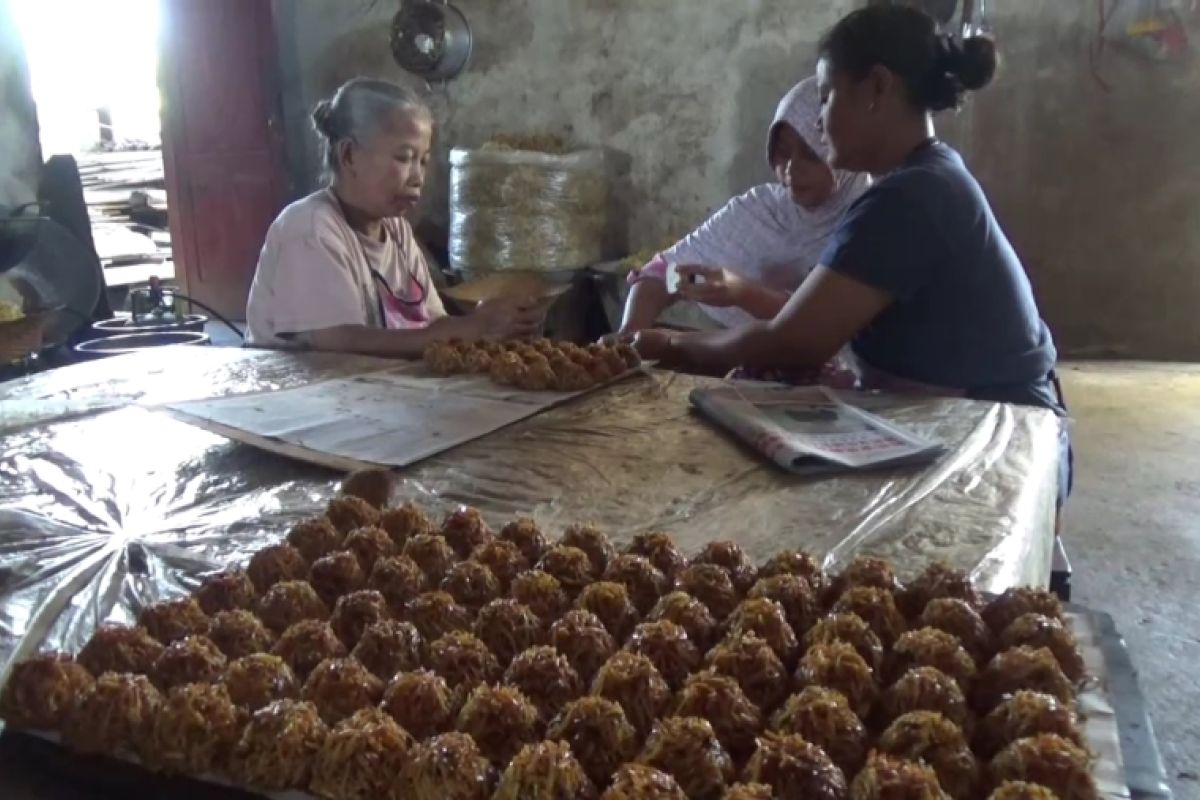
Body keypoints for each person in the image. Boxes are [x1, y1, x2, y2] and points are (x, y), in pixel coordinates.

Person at [633, 5, 1063, 414]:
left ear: (877, 87)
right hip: (966, 403)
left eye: (826, 96)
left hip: (1002, 421)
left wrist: (668, 346)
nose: (819, 121)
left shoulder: (911, 197)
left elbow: (794, 341)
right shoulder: (924, 176)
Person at [246, 78, 542, 355]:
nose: (417, 177)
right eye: (403, 158)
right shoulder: (311, 228)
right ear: (349, 155)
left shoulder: (397, 231)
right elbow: (339, 344)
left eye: (423, 161)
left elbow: (432, 324)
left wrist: (493, 324)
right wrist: (470, 328)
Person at [619, 77, 869, 335]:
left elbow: (820, 323)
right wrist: (629, 334)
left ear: (839, 150)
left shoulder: (870, 216)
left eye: (810, 154)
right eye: (782, 152)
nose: (791, 169)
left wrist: (742, 292)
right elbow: (663, 275)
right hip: (762, 368)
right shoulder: (761, 211)